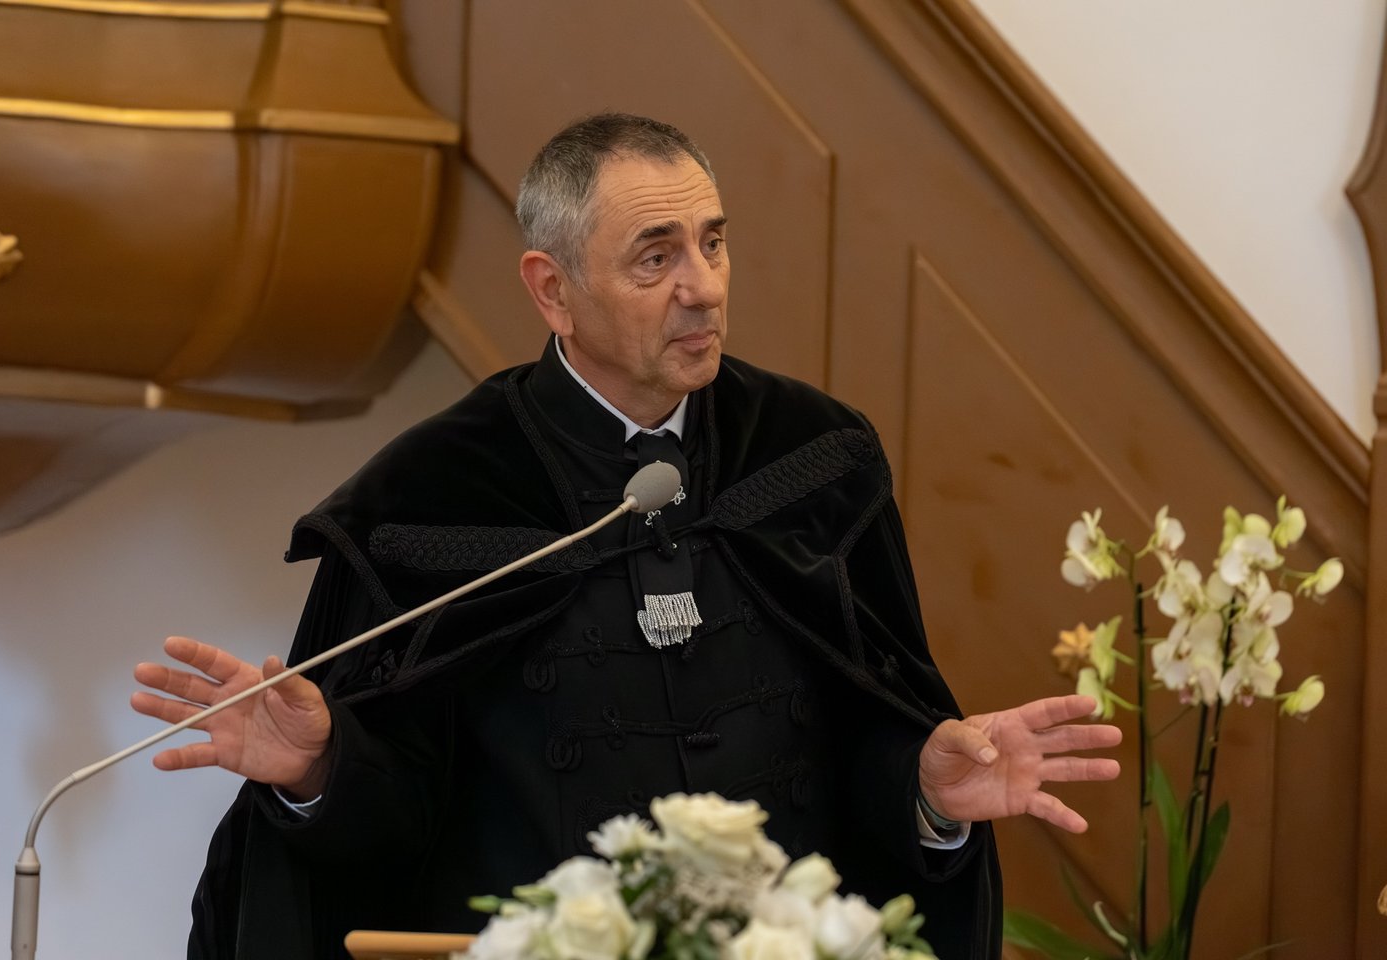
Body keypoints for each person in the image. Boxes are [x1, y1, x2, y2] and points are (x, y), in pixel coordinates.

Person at [132, 113, 1120, 960]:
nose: (704, 287)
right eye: (657, 256)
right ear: (552, 289)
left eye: (714, 243)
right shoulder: (429, 500)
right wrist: (320, 768)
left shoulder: (815, 458)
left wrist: (926, 791)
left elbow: (860, 740)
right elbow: (403, 823)